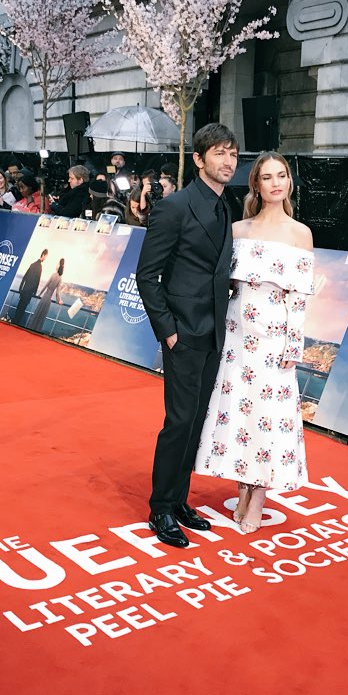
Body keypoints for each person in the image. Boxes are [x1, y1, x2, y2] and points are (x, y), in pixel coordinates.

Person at [195, 152, 314, 533]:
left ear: (289, 182)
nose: (276, 183)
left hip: (274, 339)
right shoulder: (239, 230)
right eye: (267, 177)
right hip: (236, 336)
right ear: (256, 185)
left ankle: (259, 496)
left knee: (270, 418)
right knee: (240, 415)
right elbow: (222, 284)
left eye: (282, 175)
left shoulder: (301, 234)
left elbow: (299, 297)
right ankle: (243, 488)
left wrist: (292, 346)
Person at [136, 122, 239, 548]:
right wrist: (169, 332)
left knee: (196, 421)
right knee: (178, 422)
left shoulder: (227, 206)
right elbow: (147, 275)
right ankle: (160, 507)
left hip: (215, 331)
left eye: (232, 153)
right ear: (198, 160)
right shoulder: (174, 207)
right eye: (218, 153)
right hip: (184, 331)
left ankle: (179, 500)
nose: (227, 161)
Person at [27, 257, 66, 333]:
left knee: (36, 314)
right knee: (41, 318)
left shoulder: (53, 275)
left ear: (58, 266)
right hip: (48, 300)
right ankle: (36, 332)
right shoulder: (60, 278)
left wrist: (39, 294)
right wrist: (60, 300)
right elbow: (57, 292)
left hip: (44, 297)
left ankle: (30, 329)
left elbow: (45, 286)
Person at [13, 249, 48, 326]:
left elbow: (24, 277)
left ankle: (13, 323)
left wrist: (20, 288)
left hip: (23, 291)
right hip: (28, 293)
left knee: (18, 309)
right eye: (46, 257)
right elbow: (37, 282)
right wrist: (34, 293)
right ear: (43, 255)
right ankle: (15, 325)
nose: (45, 259)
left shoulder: (32, 264)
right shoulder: (40, 267)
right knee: (22, 311)